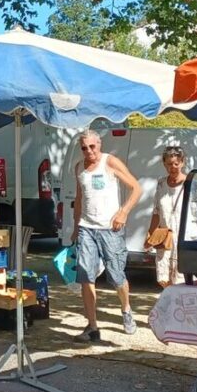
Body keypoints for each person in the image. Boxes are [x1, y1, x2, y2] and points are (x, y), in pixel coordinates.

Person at [72, 129, 142, 340]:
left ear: (99, 144)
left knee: (116, 275)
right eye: (84, 148)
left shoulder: (110, 162)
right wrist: (76, 227)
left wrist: (123, 212)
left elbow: (136, 188)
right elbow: (79, 198)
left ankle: (126, 309)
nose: (89, 151)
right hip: (86, 228)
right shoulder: (79, 167)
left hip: (110, 229)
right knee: (85, 276)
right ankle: (92, 326)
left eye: (92, 146)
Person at [148, 146, 190, 288]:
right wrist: (150, 235)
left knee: (181, 279)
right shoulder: (161, 183)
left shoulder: (190, 183)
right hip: (166, 237)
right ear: (164, 164)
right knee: (164, 278)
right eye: (169, 164)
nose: (172, 167)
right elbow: (156, 211)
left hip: (184, 236)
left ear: (182, 162)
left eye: (176, 164)